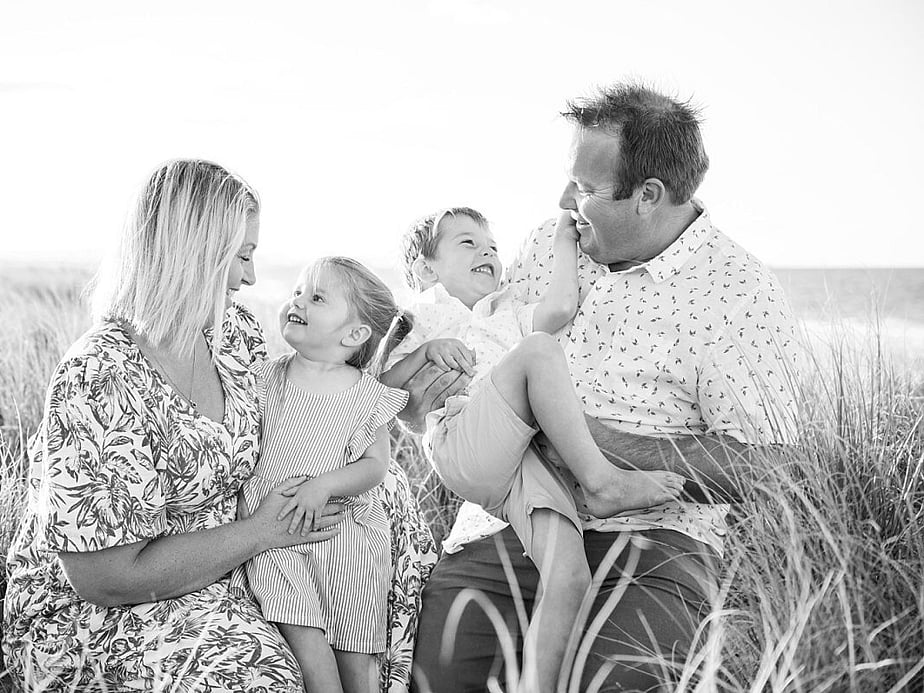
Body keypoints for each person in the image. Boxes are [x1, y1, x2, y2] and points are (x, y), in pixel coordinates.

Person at [405, 83, 803, 692]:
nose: (564, 200)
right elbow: (482, 339)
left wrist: (597, 445)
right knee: (442, 679)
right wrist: (425, 394)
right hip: (509, 521)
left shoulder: (739, 295)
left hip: (651, 542)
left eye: (586, 189)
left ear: (649, 196)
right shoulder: (550, 241)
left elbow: (767, 465)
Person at [1, 159, 344, 691]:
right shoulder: (99, 375)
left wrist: (401, 391)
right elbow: (105, 578)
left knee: (382, 532)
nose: (250, 277)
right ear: (195, 256)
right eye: (242, 256)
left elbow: (314, 402)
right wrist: (261, 533)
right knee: (253, 678)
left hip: (227, 561)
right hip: (110, 612)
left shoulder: (233, 336)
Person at [382, 207, 685, 691]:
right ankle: (601, 482)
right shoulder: (422, 313)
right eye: (467, 243)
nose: (487, 252)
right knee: (541, 350)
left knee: (569, 576)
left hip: (518, 459)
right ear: (425, 268)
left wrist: (566, 239)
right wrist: (423, 353)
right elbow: (384, 395)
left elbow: (561, 305)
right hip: (462, 442)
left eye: (492, 246)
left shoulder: (506, 315)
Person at [239, 257, 411, 693]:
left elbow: (374, 466)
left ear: (354, 335)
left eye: (316, 298)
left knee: (357, 645)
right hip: (276, 528)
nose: (298, 302)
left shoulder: (365, 393)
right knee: (302, 629)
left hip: (344, 530)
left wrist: (325, 485)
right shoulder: (265, 378)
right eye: (298, 291)